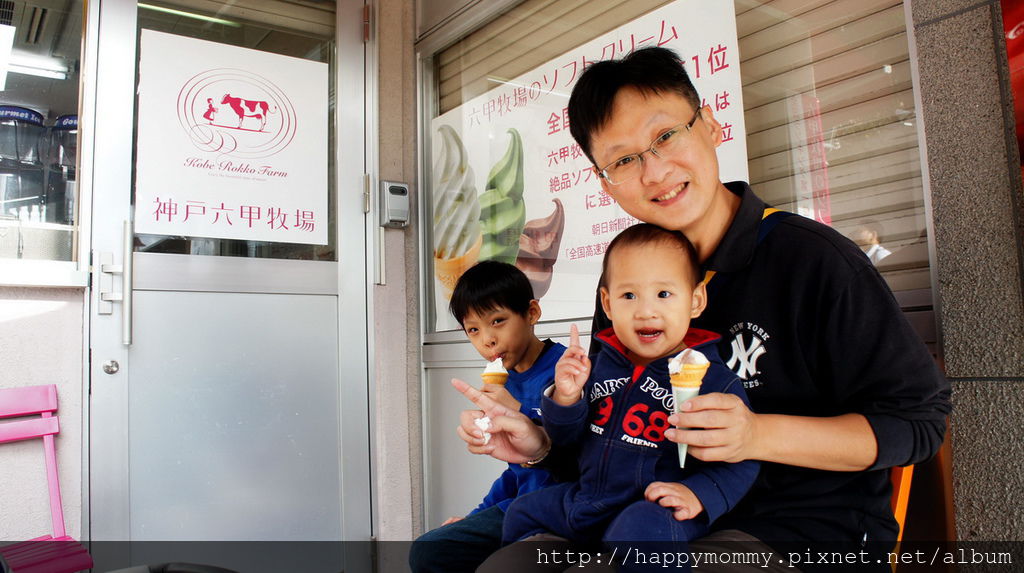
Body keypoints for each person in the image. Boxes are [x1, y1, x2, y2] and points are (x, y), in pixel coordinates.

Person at [456, 46, 950, 571]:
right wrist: (539, 443)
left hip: (795, 527)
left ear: (710, 125)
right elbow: (608, 428)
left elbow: (918, 423)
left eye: (665, 136)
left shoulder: (813, 261)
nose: (654, 171)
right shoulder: (626, 278)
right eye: (623, 160)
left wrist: (757, 434)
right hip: (638, 514)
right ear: (605, 183)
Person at [495, 224, 758, 571]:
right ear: (607, 303)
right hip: (589, 499)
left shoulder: (714, 380)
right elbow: (565, 439)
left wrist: (700, 494)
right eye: (629, 296)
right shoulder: (599, 366)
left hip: (657, 510)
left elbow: (741, 459)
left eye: (664, 294)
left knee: (640, 529)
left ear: (695, 301)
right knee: (522, 510)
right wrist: (565, 398)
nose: (646, 311)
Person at [410, 260, 567, 573]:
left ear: (532, 313)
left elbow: (581, 456)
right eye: (474, 329)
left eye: (498, 321)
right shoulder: (506, 378)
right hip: (519, 508)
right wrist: (476, 516)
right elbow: (516, 473)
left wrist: (519, 412)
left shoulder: (566, 372)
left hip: (561, 511)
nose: (487, 340)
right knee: (428, 551)